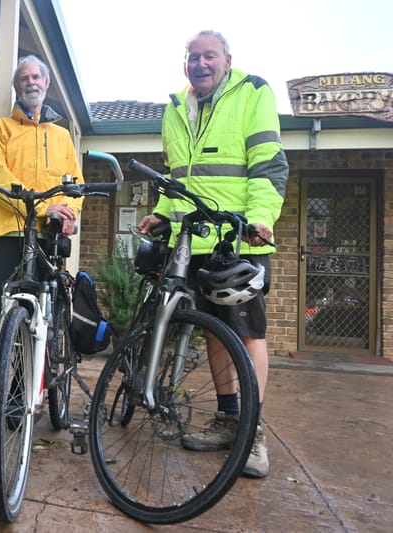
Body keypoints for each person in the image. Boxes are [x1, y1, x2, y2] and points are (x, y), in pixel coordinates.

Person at [137, 30, 288, 479]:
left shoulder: (252, 92)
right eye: (193, 57)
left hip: (239, 239)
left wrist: (261, 217)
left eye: (209, 56)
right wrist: (164, 213)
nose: (201, 63)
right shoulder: (175, 108)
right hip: (194, 240)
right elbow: (178, 176)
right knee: (215, 333)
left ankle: (253, 432)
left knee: (247, 336)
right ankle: (227, 419)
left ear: (226, 60)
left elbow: (268, 162)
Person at [0, 55, 85, 433]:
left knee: (43, 315)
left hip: (48, 236)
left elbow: (75, 184)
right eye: (23, 78)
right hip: (9, 232)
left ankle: (26, 391)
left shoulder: (61, 136)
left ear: (46, 83)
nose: (30, 82)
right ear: (16, 86)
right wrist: (44, 206)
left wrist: (68, 212)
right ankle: (1, 394)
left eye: (36, 76)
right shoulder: (0, 129)